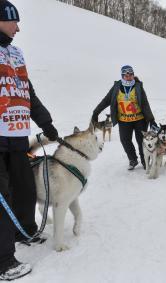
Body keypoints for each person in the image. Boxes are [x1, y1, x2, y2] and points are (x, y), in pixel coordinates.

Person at [0, 1, 59, 280]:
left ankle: (25, 230)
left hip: (17, 135)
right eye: (14, 22)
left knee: (25, 189)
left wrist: (46, 122)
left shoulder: (15, 53)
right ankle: (3, 261)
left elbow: (27, 93)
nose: (18, 28)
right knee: (2, 197)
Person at [92, 65, 156, 170]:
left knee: (141, 141)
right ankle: (133, 159)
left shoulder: (138, 86)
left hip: (139, 119)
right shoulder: (117, 86)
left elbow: (145, 104)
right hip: (124, 120)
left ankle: (145, 161)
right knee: (125, 140)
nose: (129, 76)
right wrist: (96, 112)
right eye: (126, 75)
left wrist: (151, 120)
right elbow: (106, 100)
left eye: (131, 74)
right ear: (122, 75)